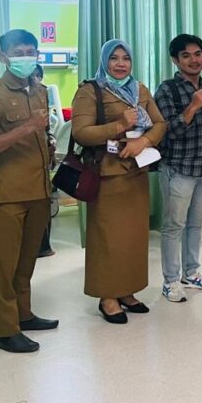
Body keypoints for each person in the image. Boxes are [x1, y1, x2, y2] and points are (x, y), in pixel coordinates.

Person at [0, 29, 57, 353]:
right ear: (3, 57)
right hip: (6, 194)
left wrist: (46, 142)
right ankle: (7, 331)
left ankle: (24, 314)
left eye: (31, 52)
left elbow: (41, 134)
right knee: (4, 265)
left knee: (26, 261)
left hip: (38, 189)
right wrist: (27, 127)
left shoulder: (40, 90)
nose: (26, 57)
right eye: (18, 52)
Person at [71, 39, 166, 324]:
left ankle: (127, 290)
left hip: (136, 172)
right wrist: (119, 125)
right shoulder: (90, 91)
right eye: (114, 58)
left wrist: (144, 141)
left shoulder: (139, 89)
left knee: (133, 238)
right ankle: (108, 297)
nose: (121, 64)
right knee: (108, 239)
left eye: (126, 58)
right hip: (107, 174)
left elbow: (160, 123)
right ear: (104, 61)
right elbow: (81, 133)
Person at [154, 34, 202, 303]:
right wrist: (192, 107)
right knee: (174, 226)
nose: (194, 60)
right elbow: (167, 131)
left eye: (198, 54)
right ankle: (170, 281)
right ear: (175, 60)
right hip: (178, 169)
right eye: (186, 55)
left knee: (196, 223)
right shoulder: (167, 90)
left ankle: (191, 273)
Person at [30, 64, 57, 259]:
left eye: (38, 75)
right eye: (33, 75)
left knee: (43, 201)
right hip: (23, 158)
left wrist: (51, 144)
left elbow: (46, 128)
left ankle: (43, 246)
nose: (35, 79)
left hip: (43, 155)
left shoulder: (42, 93)